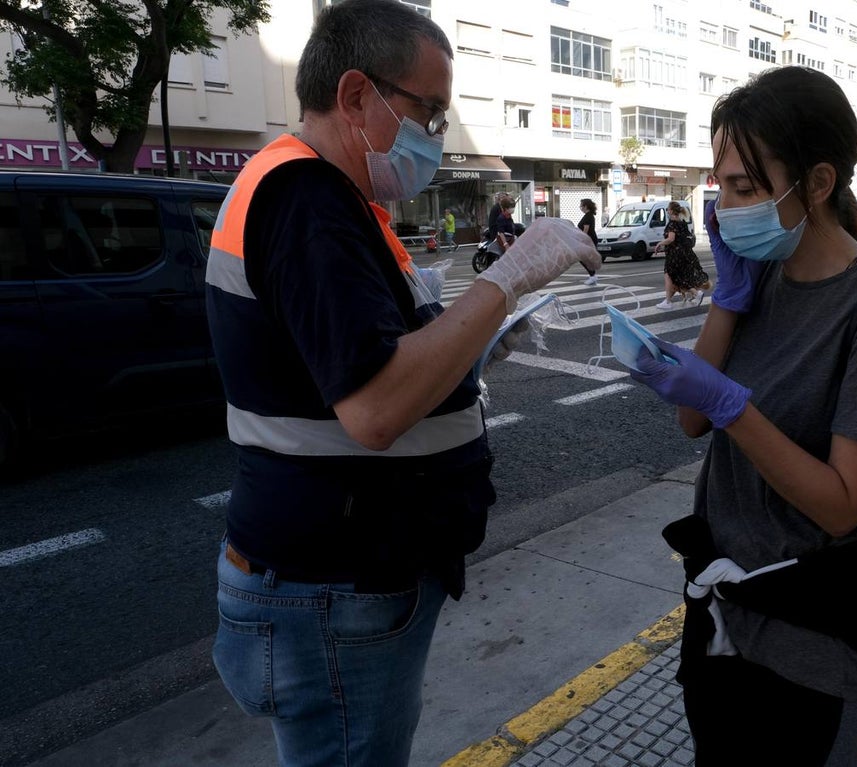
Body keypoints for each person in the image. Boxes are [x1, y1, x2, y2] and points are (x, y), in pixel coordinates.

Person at [204, 3, 599, 765]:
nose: (436, 133)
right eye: (430, 110)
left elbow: (368, 363)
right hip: (336, 585)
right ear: (358, 96)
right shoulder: (307, 200)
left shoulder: (333, 199)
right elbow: (378, 408)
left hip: (336, 578)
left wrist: (477, 343)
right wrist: (508, 281)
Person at [627, 66, 857, 765]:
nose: (727, 206)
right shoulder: (759, 277)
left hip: (811, 646)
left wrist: (731, 403)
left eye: (745, 187)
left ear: (817, 184)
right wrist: (728, 301)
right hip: (722, 623)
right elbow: (690, 424)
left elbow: (843, 505)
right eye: (720, 185)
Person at [654, 200, 710, 309]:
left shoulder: (672, 223)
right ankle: (693, 294)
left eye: (667, 209)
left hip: (675, 255)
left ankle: (669, 302)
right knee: (678, 277)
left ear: (670, 211)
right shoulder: (682, 222)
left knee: (669, 275)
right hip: (685, 253)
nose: (667, 211)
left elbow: (671, 239)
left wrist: (660, 243)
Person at [578, 198, 600, 285]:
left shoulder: (588, 216)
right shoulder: (588, 215)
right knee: (584, 259)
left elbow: (586, 230)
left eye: (581, 206)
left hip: (589, 241)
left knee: (583, 258)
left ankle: (593, 276)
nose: (580, 208)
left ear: (585, 206)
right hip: (590, 240)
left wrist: (582, 241)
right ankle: (592, 275)